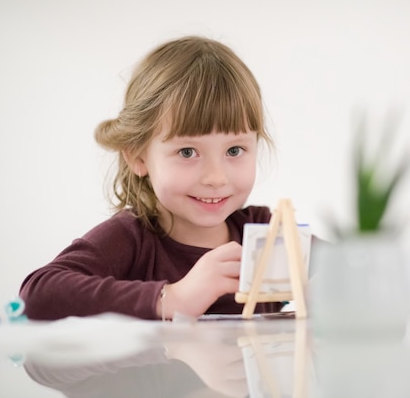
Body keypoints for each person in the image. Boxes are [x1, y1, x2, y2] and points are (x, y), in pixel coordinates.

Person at [19, 36, 284, 320]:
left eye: (234, 149)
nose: (216, 178)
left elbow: (337, 266)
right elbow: (37, 294)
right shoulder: (131, 239)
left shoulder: (266, 234)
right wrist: (171, 298)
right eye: (187, 152)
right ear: (138, 157)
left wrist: (327, 289)